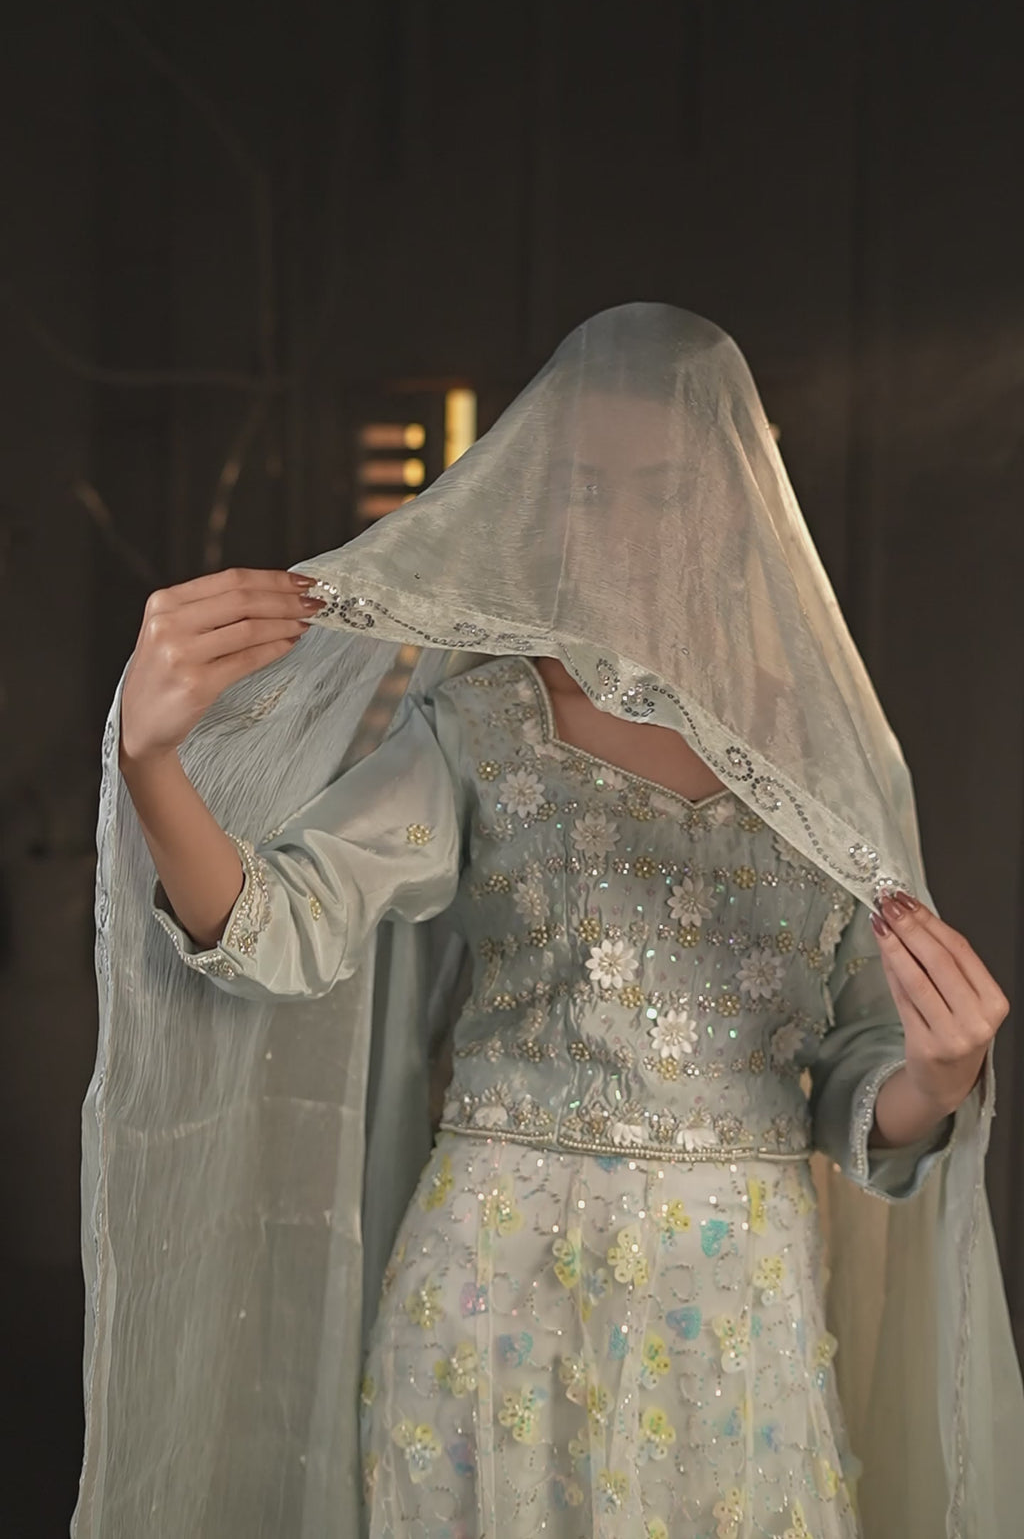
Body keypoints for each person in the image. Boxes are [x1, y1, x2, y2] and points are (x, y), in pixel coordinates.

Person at [72, 304, 1024, 1539]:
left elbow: (859, 1069)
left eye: (664, 492)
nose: (623, 529)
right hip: (494, 1296)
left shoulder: (825, 758)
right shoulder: (487, 725)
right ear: (540, 509)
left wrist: (937, 1076)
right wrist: (151, 762)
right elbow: (284, 921)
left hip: (738, 1318)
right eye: (585, 490)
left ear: (738, 505)